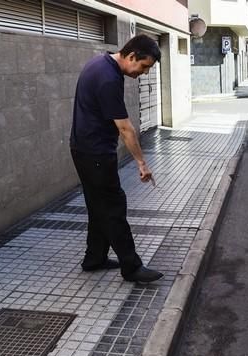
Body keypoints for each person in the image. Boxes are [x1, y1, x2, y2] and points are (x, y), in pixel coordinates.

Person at [69, 35, 163, 283]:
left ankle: (94, 258)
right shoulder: (109, 78)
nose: (143, 73)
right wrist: (142, 164)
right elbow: (125, 128)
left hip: (83, 149)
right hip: (96, 153)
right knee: (113, 207)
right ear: (132, 56)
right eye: (144, 67)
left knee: (97, 205)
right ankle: (131, 268)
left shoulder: (99, 63)